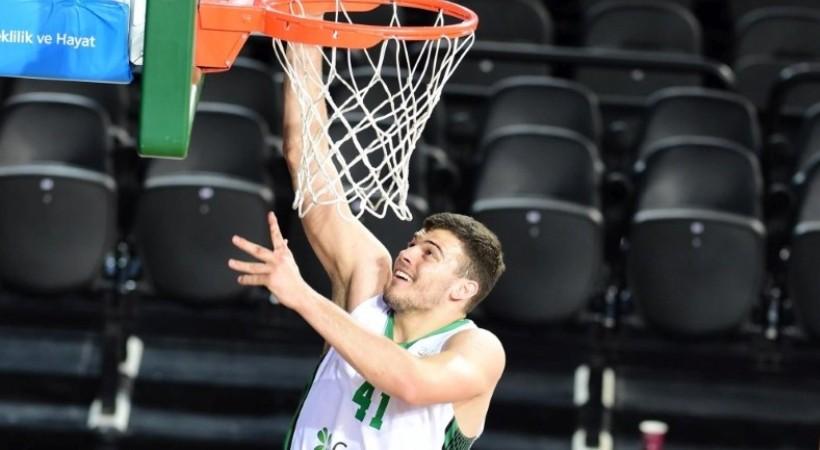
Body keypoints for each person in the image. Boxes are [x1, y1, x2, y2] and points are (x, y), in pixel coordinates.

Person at [227, 43, 506, 450]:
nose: (407, 254)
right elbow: (307, 159)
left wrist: (302, 296)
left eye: (430, 253)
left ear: (463, 288)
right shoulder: (368, 286)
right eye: (413, 243)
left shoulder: (476, 347)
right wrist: (303, 35)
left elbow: (411, 383)